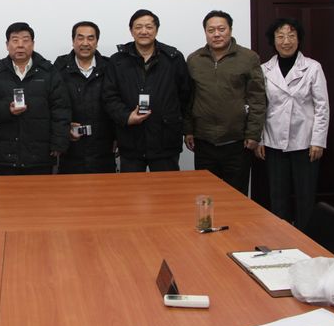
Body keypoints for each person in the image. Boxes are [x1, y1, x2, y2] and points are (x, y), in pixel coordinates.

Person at [255, 18, 329, 228]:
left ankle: (305, 236)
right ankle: (280, 236)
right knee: (277, 195)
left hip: (305, 142)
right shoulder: (264, 69)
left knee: (305, 195)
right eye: (280, 36)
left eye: (291, 36)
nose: (286, 41)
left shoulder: (313, 68)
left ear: (299, 39)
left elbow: (322, 107)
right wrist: (259, 139)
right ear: (273, 40)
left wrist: (318, 141)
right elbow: (259, 106)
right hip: (274, 141)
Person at [184, 10, 266, 195]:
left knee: (235, 196)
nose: (216, 34)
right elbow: (189, 97)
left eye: (221, 29)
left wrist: (253, 133)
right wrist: (188, 129)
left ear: (230, 30)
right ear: (205, 32)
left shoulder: (248, 58)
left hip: (237, 141)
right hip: (204, 141)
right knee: (206, 195)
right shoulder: (194, 60)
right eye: (211, 30)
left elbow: (257, 98)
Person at [103, 10, 191, 171]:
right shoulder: (117, 60)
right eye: (138, 27)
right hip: (130, 139)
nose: (144, 31)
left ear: (156, 30)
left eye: (149, 27)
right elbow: (109, 96)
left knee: (166, 186)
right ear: (131, 31)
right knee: (131, 186)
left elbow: (185, 95)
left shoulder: (173, 58)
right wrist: (126, 116)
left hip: (165, 139)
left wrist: (186, 128)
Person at [0, 22, 71, 175]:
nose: (20, 45)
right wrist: (7, 110)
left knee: (40, 191)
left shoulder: (49, 72)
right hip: (8, 155)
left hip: (41, 154)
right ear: (7, 45)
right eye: (15, 40)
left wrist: (59, 142)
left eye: (25, 40)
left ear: (33, 44)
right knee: (8, 191)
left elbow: (61, 108)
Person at [54, 21, 116, 174]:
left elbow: (117, 103)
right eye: (80, 38)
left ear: (97, 41)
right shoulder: (59, 68)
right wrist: (63, 130)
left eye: (90, 38)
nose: (85, 43)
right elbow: (52, 105)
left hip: (103, 148)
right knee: (71, 188)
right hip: (70, 149)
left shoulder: (110, 67)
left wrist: (118, 136)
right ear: (73, 40)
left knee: (105, 188)